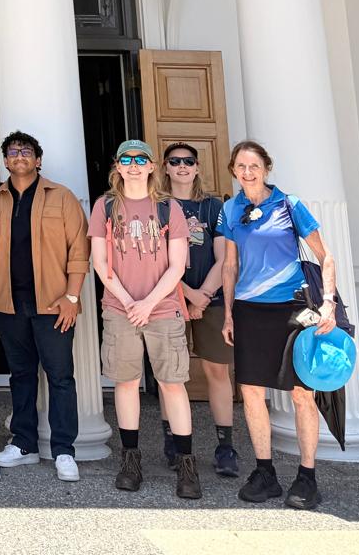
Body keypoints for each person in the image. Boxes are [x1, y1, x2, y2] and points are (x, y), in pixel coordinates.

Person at [220, 140, 339, 511]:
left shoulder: (289, 204)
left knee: (302, 393)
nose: (248, 172)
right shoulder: (230, 208)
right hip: (248, 311)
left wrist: (328, 303)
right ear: (233, 171)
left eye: (254, 165)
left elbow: (325, 256)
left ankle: (307, 476)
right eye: (240, 166)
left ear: (267, 168)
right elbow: (229, 266)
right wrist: (227, 313)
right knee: (252, 392)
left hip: (290, 309)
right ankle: (265, 472)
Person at [89, 139, 200, 499]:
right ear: (117, 166)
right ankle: (130, 459)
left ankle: (186, 465)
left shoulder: (168, 208)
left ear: (152, 166)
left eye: (141, 159)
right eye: (126, 159)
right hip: (120, 309)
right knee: (126, 382)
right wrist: (128, 301)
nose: (134, 164)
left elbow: (177, 264)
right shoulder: (105, 206)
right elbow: (100, 264)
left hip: (163, 309)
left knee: (172, 384)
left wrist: (148, 303)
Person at [0, 130, 89, 483]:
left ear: (38, 160)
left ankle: (64, 450)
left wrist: (71, 297)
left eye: (26, 151)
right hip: (9, 305)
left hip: (54, 305)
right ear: (5, 160)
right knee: (21, 376)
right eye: (13, 151)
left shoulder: (62, 197)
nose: (20, 156)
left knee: (60, 377)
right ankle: (23, 444)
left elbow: (79, 252)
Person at [163, 140, 240, 477]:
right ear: (165, 167)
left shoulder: (213, 207)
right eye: (175, 161)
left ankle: (226, 446)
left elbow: (224, 258)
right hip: (168, 298)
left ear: (197, 167)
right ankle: (174, 443)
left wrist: (203, 295)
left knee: (217, 372)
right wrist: (187, 294)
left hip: (211, 299)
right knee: (170, 375)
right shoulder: (157, 207)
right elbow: (154, 261)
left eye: (188, 161)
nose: (182, 166)